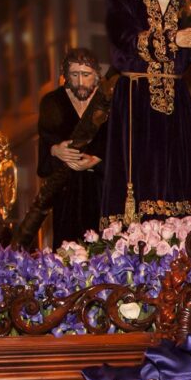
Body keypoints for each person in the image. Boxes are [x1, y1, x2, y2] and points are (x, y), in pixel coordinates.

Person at [101, 0, 191, 225]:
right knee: (142, 179)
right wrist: (175, 39)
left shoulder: (184, 1)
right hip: (137, 98)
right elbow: (125, 38)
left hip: (177, 100)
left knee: (183, 180)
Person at [37, 48, 107, 247]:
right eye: (74, 75)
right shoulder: (52, 102)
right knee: (67, 249)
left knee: (102, 247)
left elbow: (118, 142)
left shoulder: (107, 102)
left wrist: (97, 160)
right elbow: (45, 142)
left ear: (97, 75)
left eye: (86, 74)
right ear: (66, 75)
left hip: (101, 189)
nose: (80, 82)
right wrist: (55, 150)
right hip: (66, 190)